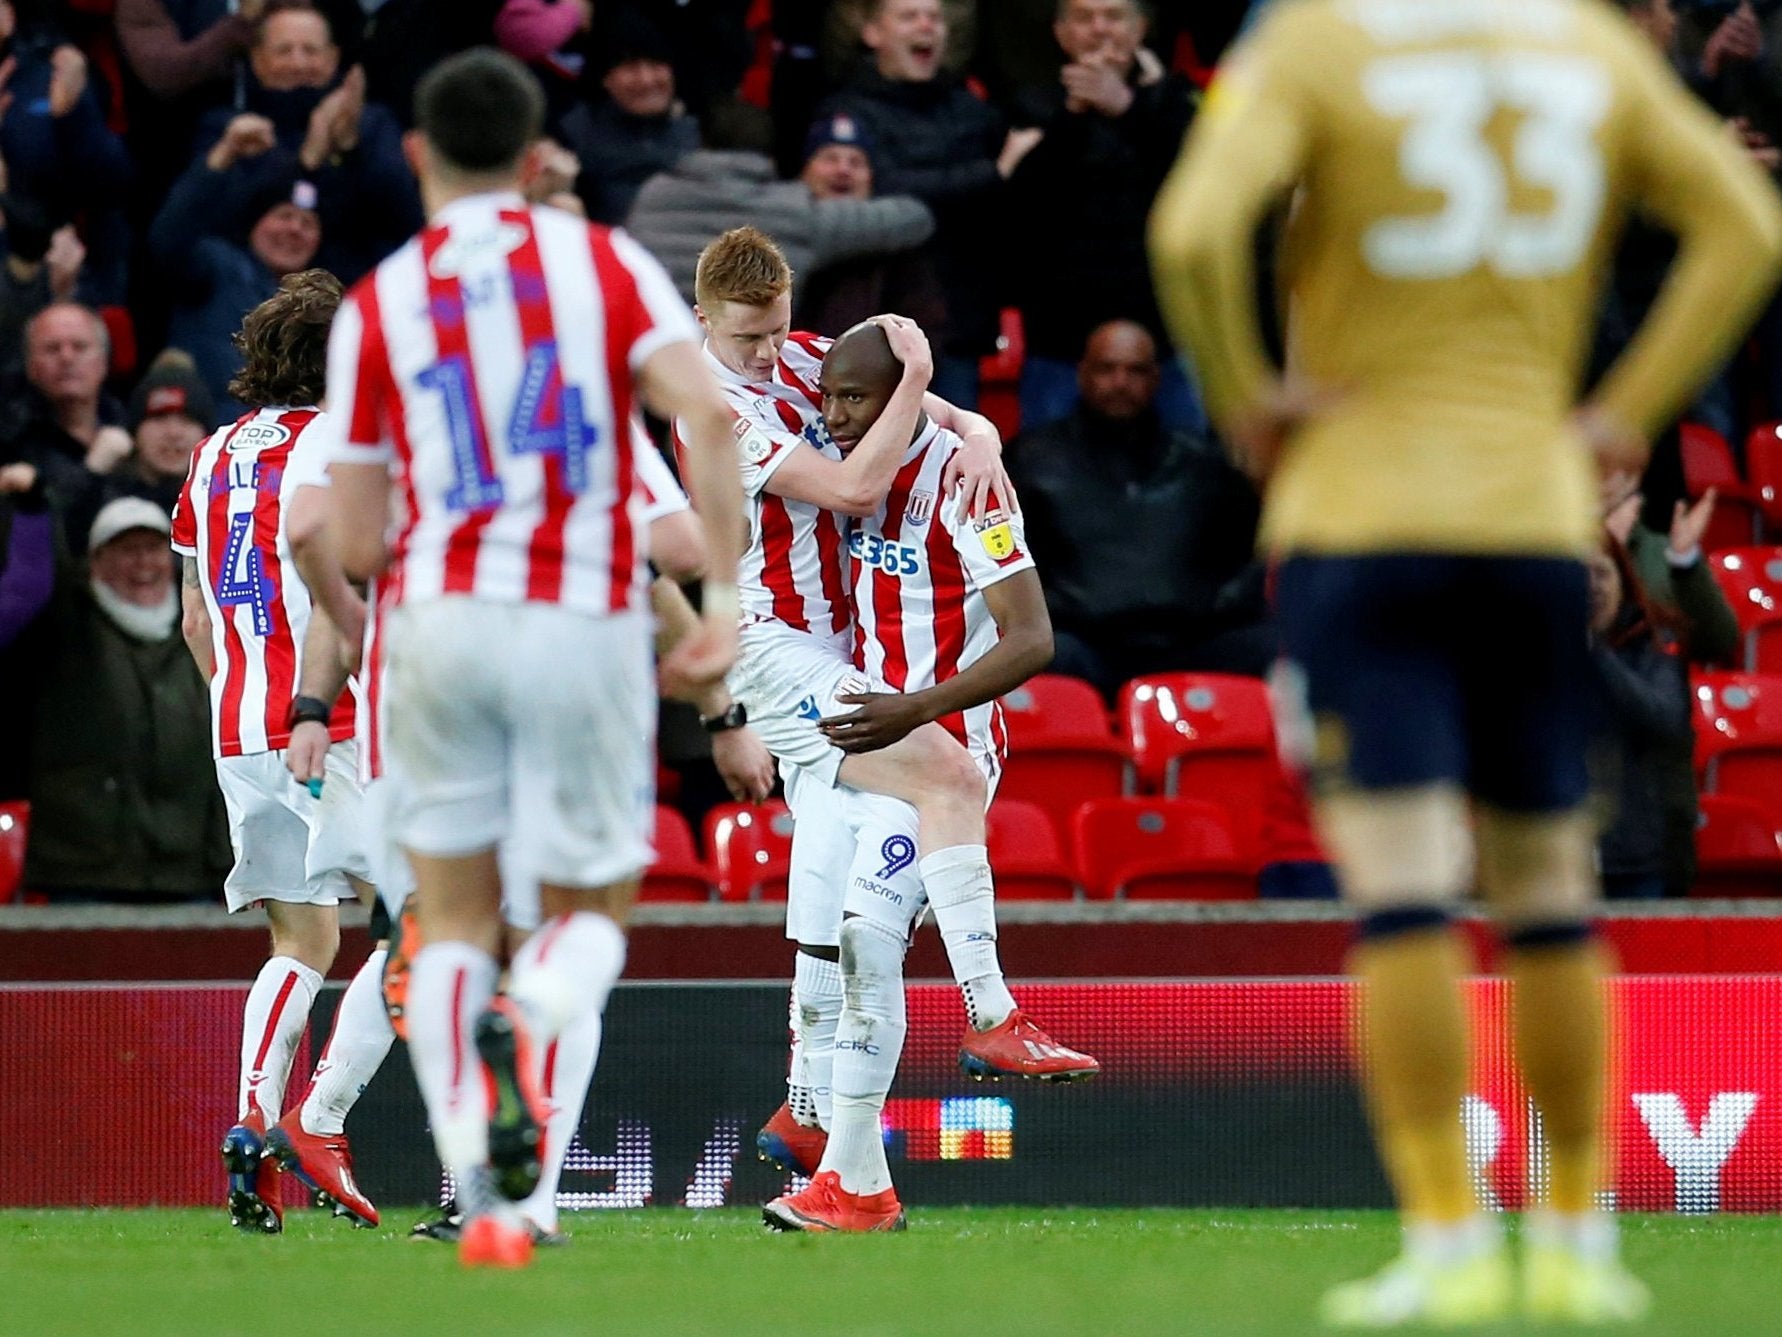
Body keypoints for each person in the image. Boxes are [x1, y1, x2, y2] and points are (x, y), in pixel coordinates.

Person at [1150, 0, 1782, 1324]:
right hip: (1527, 515)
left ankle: (1443, 1239)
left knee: (1401, 892)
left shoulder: (1320, 38)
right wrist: (1621, 413)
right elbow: (1746, 224)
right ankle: (1573, 1242)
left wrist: (1243, 391)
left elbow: (1193, 230)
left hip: (1359, 514)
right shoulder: (1584, 47)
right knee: (1549, 887)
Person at [320, 47, 744, 1270]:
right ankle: (541, 1012)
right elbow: (707, 412)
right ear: (534, 155)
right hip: (582, 615)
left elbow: (352, 536)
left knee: (447, 914)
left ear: (414, 156)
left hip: (440, 619)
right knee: (592, 903)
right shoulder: (602, 262)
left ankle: (490, 1197)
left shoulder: (380, 301)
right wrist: (722, 594)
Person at [679, 229, 1095, 1204]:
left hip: (870, 687)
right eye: (748, 340)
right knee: (908, 830)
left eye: (780, 335)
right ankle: (981, 1019)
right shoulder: (715, 406)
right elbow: (855, 479)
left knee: (841, 920)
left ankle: (826, 1134)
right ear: (704, 321)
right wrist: (912, 378)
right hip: (790, 656)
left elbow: (948, 432)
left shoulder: (849, 390)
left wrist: (978, 431)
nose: (775, 362)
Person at [762, 319, 1072, 1233]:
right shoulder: (840, 456)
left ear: (898, 391)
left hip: (941, 748)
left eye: (854, 396)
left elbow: (1033, 638)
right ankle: (831, 1143)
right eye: (827, 397)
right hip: (864, 742)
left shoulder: (970, 487)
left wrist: (916, 704)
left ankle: (856, 1168)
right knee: (829, 939)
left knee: (867, 942)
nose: (835, 416)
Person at [171, 269, 393, 1236]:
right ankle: (321, 1115)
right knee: (427, 922)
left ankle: (253, 1118)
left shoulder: (211, 454)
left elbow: (193, 621)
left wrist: (240, 707)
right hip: (329, 717)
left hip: (238, 727)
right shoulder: (345, 452)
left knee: (301, 941)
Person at [1010, 319, 1268, 694]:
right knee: (1035, 655)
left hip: (1190, 641)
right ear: (1082, 374)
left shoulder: (1205, 465)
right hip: (1081, 645)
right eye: (1107, 369)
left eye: (1135, 371)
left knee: (1269, 647)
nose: (1120, 382)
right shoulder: (1030, 461)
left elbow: (1253, 553)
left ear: (1157, 379)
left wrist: (1213, 604)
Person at [818, 0, 1041, 407]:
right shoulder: (845, 113)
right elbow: (881, 191)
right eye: (909, 16)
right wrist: (990, 176)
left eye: (934, 17)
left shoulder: (972, 110)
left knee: (952, 455)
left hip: (959, 323)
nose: (927, 26)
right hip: (874, 326)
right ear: (873, 33)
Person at [18, 495, 229, 902]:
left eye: (153, 549)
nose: (144, 564)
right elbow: (33, 581)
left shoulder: (206, 628)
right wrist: (34, 504)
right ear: (96, 562)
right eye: (128, 551)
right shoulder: (65, 628)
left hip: (192, 868)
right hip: (85, 870)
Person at [1005, 0, 1199, 433]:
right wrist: (1073, 116)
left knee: (1185, 474)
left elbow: (1197, 186)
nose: (1099, 29)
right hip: (1059, 338)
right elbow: (1019, 206)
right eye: (1083, 17)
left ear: (1139, 29)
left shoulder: (1174, 102)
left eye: (1113, 17)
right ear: (1060, 32)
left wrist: (1126, 107)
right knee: (1047, 477)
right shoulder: (1031, 103)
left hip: (1161, 336)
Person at [174, 1, 420, 285]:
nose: (298, 63)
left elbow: (405, 222)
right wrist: (305, 161)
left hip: (347, 296)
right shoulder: (229, 130)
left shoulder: (371, 124)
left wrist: (351, 148)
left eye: (311, 51)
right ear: (257, 60)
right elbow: (213, 222)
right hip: (249, 299)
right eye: (284, 51)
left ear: (333, 58)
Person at [623, 112, 935, 319]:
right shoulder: (795, 212)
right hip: (737, 374)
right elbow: (914, 218)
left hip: (649, 356)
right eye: (829, 158)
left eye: (856, 162)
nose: (843, 170)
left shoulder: (651, 193)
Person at [151, 123, 328, 416]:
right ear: (255, 225)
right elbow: (169, 239)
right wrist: (224, 154)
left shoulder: (321, 306)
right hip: (205, 440)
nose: (295, 230)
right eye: (284, 216)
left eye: (308, 223)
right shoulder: (216, 265)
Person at [1588, 537, 1694, 900]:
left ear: (1624, 580)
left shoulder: (1654, 643)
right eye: (1577, 574)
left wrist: (1593, 651)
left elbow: (1665, 720)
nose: (1590, 587)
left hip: (1633, 859)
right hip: (1554, 854)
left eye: (1600, 573)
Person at [1, 303, 131, 543]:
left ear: (103, 361)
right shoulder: (11, 444)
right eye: (52, 349)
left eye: (80, 347)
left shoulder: (133, 429)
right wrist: (93, 472)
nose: (67, 357)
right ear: (31, 366)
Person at [556, 16, 699, 225]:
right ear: (606, 78)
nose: (646, 79)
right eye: (630, 67)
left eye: (656, 64)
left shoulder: (698, 133)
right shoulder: (577, 135)